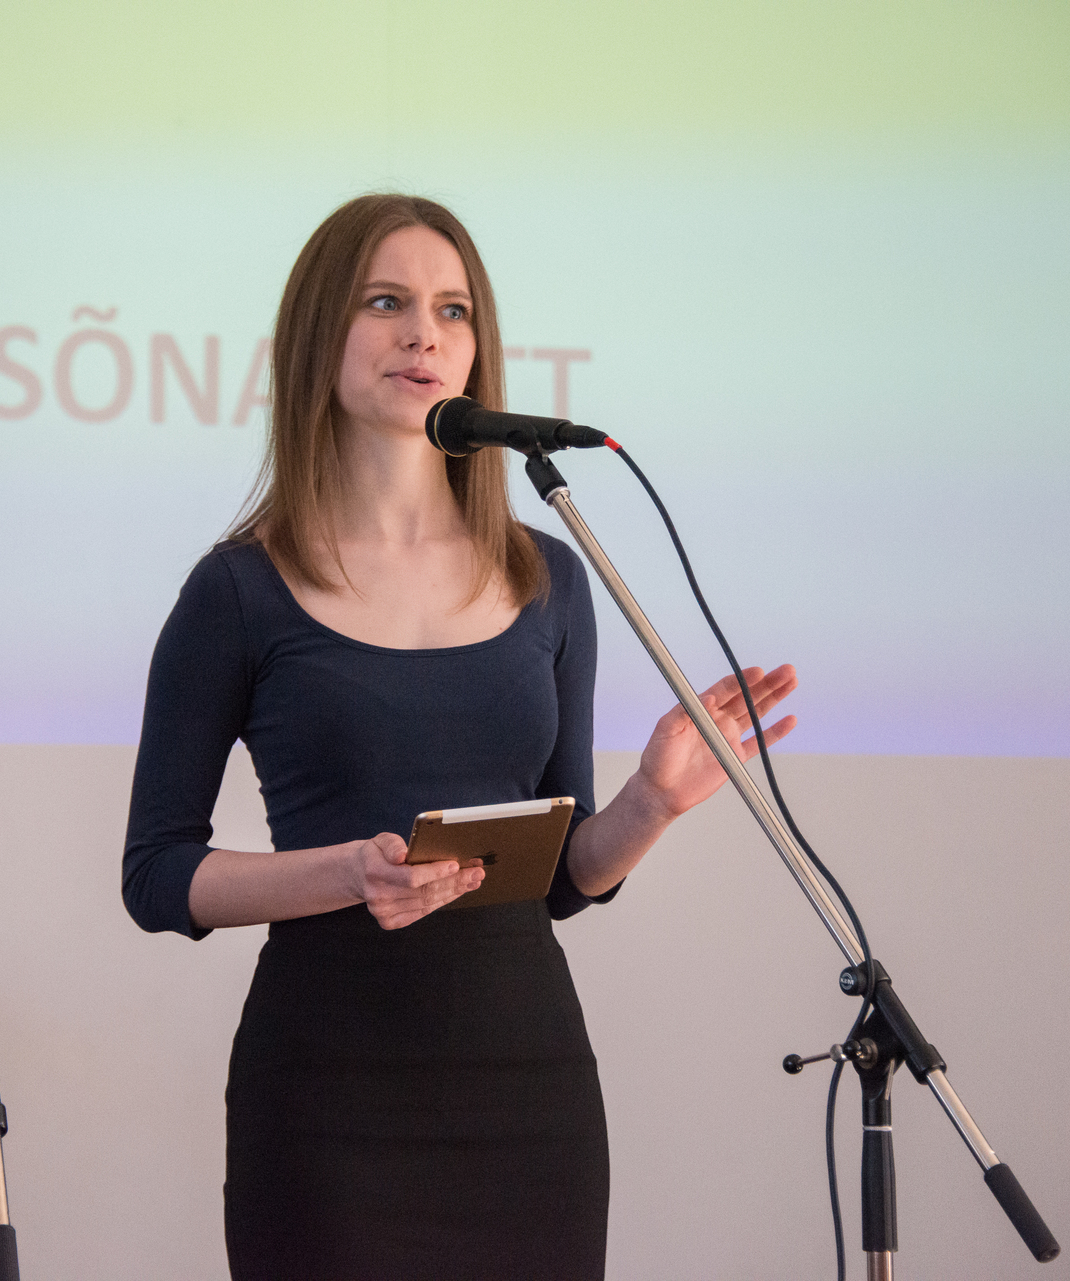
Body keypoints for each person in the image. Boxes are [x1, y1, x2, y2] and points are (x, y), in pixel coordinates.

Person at [123, 193, 798, 1281]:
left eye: (452, 310)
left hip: (527, 1091)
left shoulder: (550, 576)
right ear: (317, 337)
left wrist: (652, 803)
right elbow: (156, 874)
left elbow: (562, 880)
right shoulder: (239, 589)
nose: (423, 335)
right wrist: (346, 873)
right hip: (328, 1098)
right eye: (384, 302)